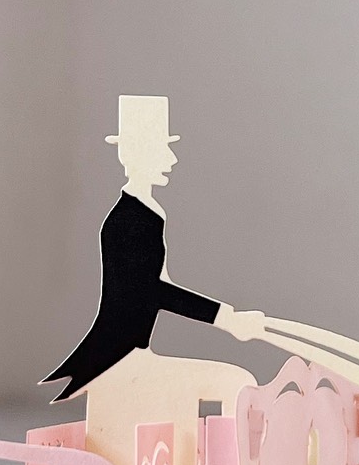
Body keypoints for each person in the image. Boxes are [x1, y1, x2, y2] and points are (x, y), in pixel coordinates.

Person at [43, 95, 264, 400]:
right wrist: (228, 318)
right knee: (238, 383)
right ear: (135, 155)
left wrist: (233, 319)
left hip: (133, 355)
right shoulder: (128, 220)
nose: (172, 160)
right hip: (121, 360)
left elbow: (159, 283)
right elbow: (153, 291)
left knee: (238, 382)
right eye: (162, 151)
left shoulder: (149, 214)